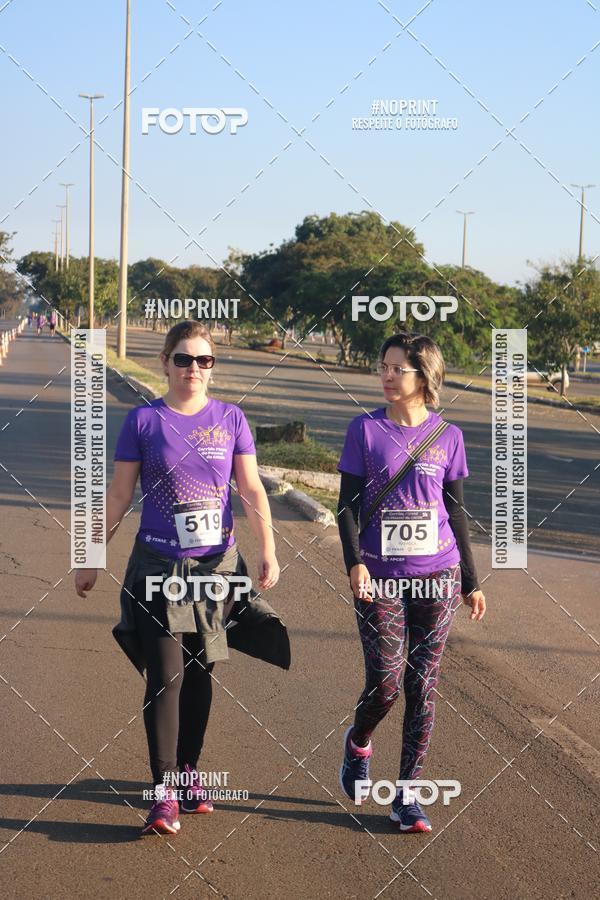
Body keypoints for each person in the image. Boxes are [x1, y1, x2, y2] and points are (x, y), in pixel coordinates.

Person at [74, 320, 290, 837]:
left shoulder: (231, 418)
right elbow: (119, 494)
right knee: (165, 676)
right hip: (158, 565)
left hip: (216, 569)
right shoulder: (144, 421)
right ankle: (164, 792)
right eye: (184, 359)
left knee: (199, 672)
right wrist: (90, 554)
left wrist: (268, 548)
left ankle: (189, 770)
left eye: (204, 360)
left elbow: (251, 490)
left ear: (212, 367)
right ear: (166, 363)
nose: (194, 368)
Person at [337, 331, 486, 833]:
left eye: (396, 368)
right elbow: (346, 505)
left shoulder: (448, 436)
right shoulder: (365, 430)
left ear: (424, 376)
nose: (385, 375)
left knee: (422, 684)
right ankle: (359, 742)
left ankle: (407, 796)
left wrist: (471, 580)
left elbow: (456, 511)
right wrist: (354, 562)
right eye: (382, 366)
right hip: (379, 576)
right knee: (385, 683)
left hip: (438, 574)